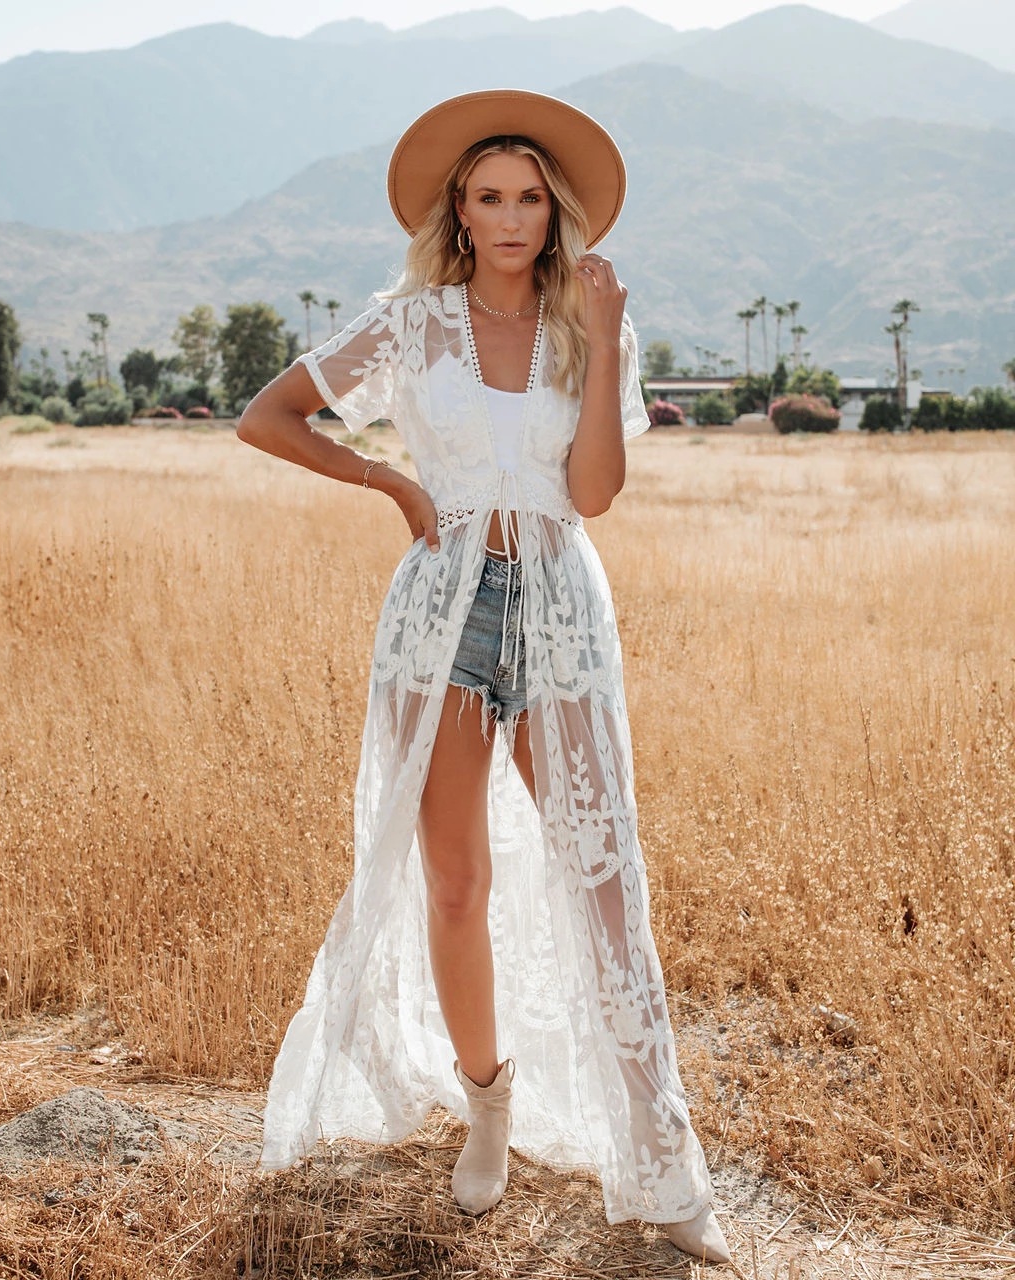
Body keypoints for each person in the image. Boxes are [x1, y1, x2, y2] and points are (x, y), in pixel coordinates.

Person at [237, 89, 731, 1266]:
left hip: (560, 599)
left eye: (528, 198)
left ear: (554, 215)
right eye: (488, 196)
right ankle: (488, 1097)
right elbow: (270, 416)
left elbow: (597, 493)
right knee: (453, 879)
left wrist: (608, 335)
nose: (510, 218)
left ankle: (666, 1170)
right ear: (458, 213)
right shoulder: (408, 325)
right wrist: (400, 489)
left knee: (603, 881)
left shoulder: (585, 327)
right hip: (439, 612)